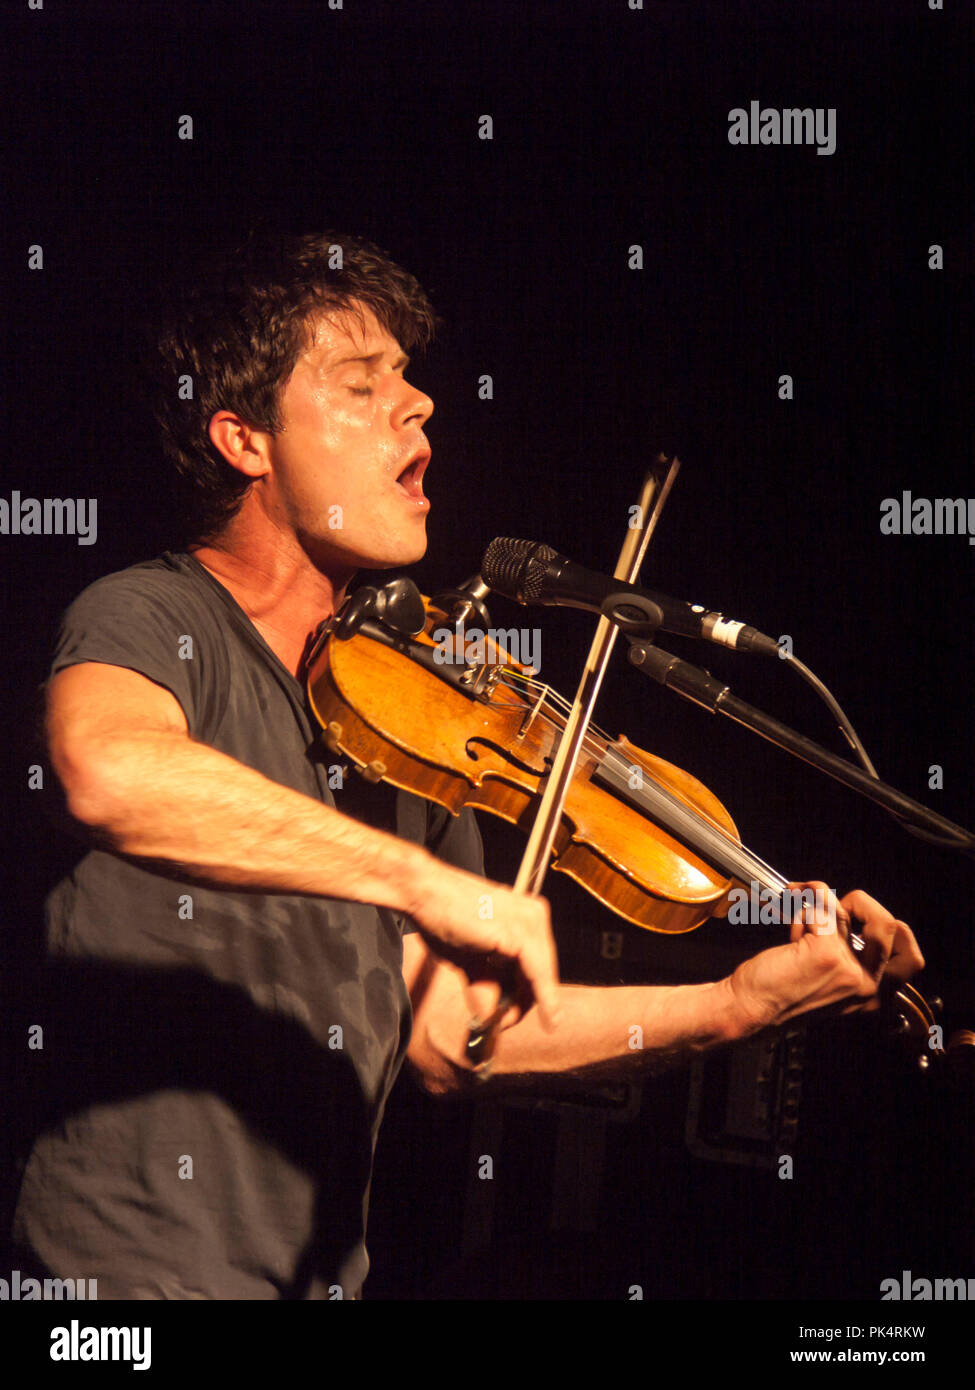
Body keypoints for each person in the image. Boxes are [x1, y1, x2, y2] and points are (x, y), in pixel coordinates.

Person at [10, 232, 924, 1300]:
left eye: (411, 378)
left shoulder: (415, 729)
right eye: (362, 383)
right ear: (244, 439)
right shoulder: (155, 615)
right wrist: (425, 883)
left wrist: (735, 1003)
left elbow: (455, 1038)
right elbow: (107, 769)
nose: (420, 406)